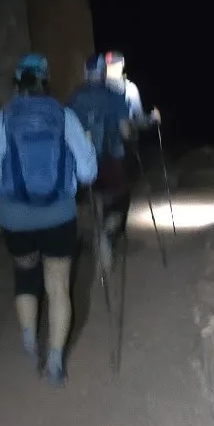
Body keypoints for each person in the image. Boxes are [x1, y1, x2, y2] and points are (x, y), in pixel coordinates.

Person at [0, 52, 97, 384]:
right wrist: (86, 149)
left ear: (16, 83)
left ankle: (30, 346)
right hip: (59, 215)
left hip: (16, 218)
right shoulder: (65, 117)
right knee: (59, 287)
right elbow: (88, 173)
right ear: (45, 80)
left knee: (26, 276)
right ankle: (56, 363)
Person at [68, 53, 138, 273]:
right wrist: (132, 136)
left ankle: (100, 236)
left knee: (95, 201)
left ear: (85, 72)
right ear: (103, 72)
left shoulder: (74, 99)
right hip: (111, 158)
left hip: (85, 161)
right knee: (118, 202)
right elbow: (126, 131)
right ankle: (106, 234)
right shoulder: (114, 96)